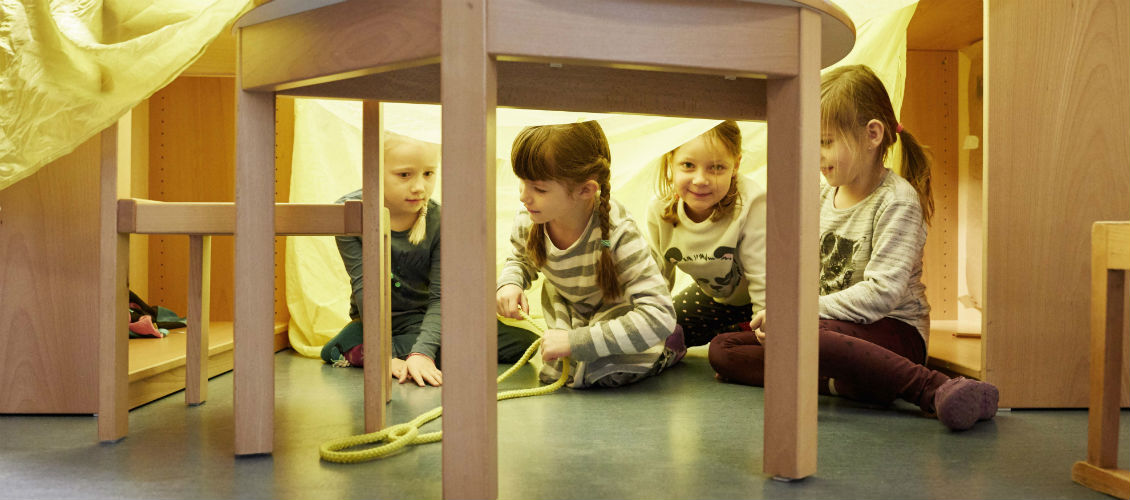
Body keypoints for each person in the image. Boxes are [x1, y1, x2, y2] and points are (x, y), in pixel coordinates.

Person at [708, 65, 999, 431]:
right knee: (724, 350)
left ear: (872, 135)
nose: (817, 154)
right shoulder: (821, 195)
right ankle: (850, 383)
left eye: (826, 142)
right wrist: (784, 314)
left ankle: (932, 387)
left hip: (893, 331)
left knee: (809, 339)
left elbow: (882, 295)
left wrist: (799, 314)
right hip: (832, 326)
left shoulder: (897, 201)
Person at [321, 132, 538, 387]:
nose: (419, 187)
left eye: (428, 174)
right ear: (374, 170)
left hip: (432, 319)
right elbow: (365, 290)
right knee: (342, 342)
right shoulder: (351, 213)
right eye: (404, 175)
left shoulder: (440, 219)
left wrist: (422, 352)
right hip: (379, 324)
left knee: (525, 344)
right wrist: (385, 356)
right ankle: (378, 350)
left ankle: (394, 350)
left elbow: (440, 298)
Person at [496, 120, 685, 388]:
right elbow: (520, 259)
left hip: (618, 306)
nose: (523, 197)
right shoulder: (530, 219)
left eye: (539, 189)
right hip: (572, 306)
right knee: (557, 373)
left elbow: (659, 314)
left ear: (586, 190)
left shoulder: (619, 234)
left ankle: (668, 346)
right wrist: (511, 282)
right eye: (522, 183)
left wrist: (577, 341)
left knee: (605, 375)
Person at [645, 120, 767, 349]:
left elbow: (762, 274)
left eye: (717, 167)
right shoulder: (659, 210)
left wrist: (764, 326)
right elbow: (656, 279)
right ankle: (732, 330)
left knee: (726, 349)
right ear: (671, 161)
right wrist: (649, 328)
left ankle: (739, 331)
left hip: (763, 301)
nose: (700, 179)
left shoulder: (752, 203)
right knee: (664, 338)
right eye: (688, 165)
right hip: (715, 300)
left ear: (736, 165)